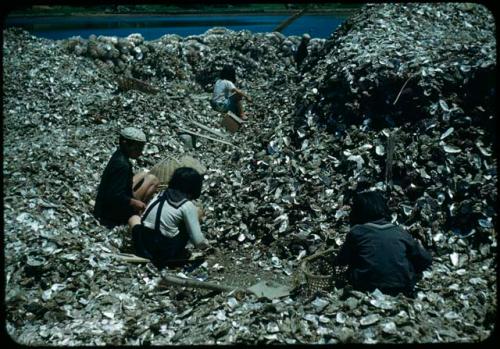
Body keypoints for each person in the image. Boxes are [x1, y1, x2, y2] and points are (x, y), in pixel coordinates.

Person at [332, 190, 432, 297]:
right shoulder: (400, 231)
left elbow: (341, 261)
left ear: (358, 211)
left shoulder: (357, 232)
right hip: (401, 286)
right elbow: (425, 260)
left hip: (366, 286)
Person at [128, 167, 210, 268]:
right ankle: (175, 253)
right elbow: (199, 242)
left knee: (134, 218)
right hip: (163, 253)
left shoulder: (160, 194)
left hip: (142, 245)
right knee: (197, 213)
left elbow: (145, 218)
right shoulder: (187, 205)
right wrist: (207, 246)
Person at [94, 127, 159, 228]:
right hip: (110, 213)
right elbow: (115, 196)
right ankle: (137, 214)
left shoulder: (119, 155)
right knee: (153, 181)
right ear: (126, 144)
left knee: (144, 174)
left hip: (102, 206)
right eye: (138, 148)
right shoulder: (122, 165)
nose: (140, 152)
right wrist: (136, 203)